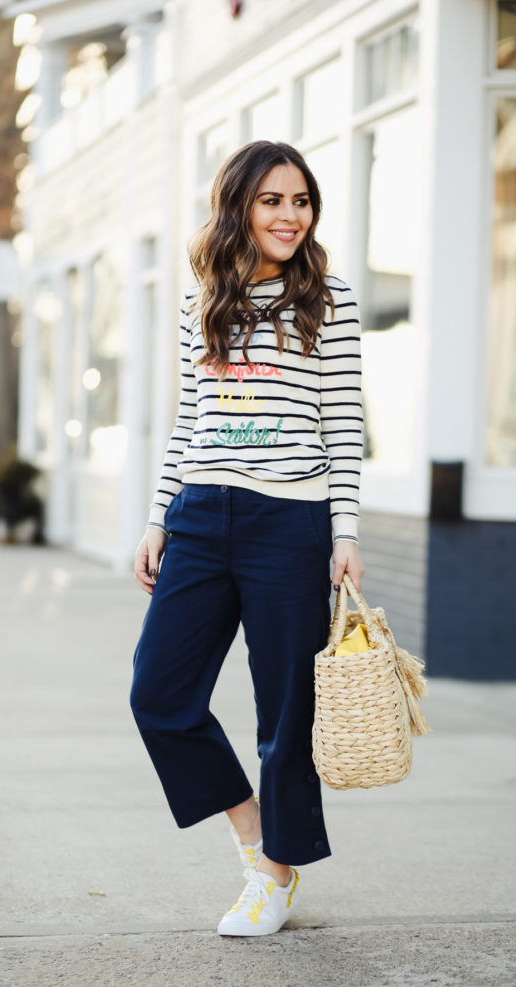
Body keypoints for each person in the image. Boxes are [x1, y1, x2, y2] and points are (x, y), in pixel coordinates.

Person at [130, 140, 364, 937]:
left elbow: (343, 426)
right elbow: (187, 422)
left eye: (300, 201)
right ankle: (255, 836)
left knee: (285, 714)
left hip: (287, 525)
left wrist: (345, 533)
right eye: (272, 200)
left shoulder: (328, 300)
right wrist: (160, 515)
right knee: (158, 695)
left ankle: (274, 877)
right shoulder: (203, 302)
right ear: (239, 207)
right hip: (200, 515)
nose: (289, 215)